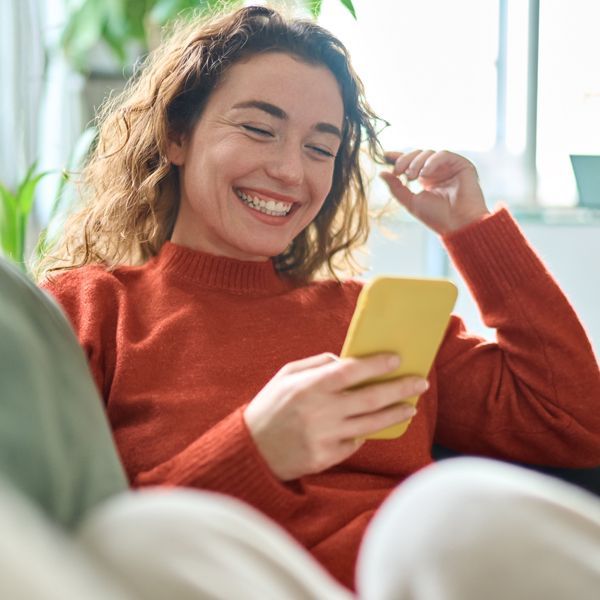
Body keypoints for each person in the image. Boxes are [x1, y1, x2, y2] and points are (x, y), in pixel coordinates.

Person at [36, 5, 600, 597]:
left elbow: (575, 424)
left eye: (320, 148)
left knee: (446, 508)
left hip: (401, 579)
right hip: (227, 579)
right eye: (258, 128)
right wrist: (254, 449)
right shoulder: (89, 311)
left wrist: (473, 231)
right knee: (133, 534)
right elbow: (82, 543)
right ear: (177, 134)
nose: (288, 171)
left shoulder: (368, 319)